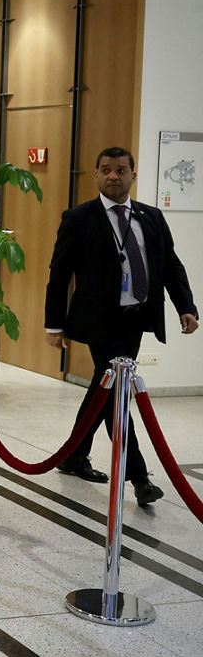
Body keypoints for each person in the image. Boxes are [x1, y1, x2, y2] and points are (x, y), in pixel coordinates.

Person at [45, 146, 197, 506]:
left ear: (133, 175)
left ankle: (74, 454)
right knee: (117, 394)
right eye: (106, 170)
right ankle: (139, 476)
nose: (114, 176)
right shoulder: (79, 218)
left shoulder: (151, 217)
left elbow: (170, 266)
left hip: (137, 317)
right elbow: (59, 274)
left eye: (121, 170)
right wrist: (55, 324)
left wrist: (186, 307)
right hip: (100, 320)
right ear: (96, 175)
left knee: (105, 386)